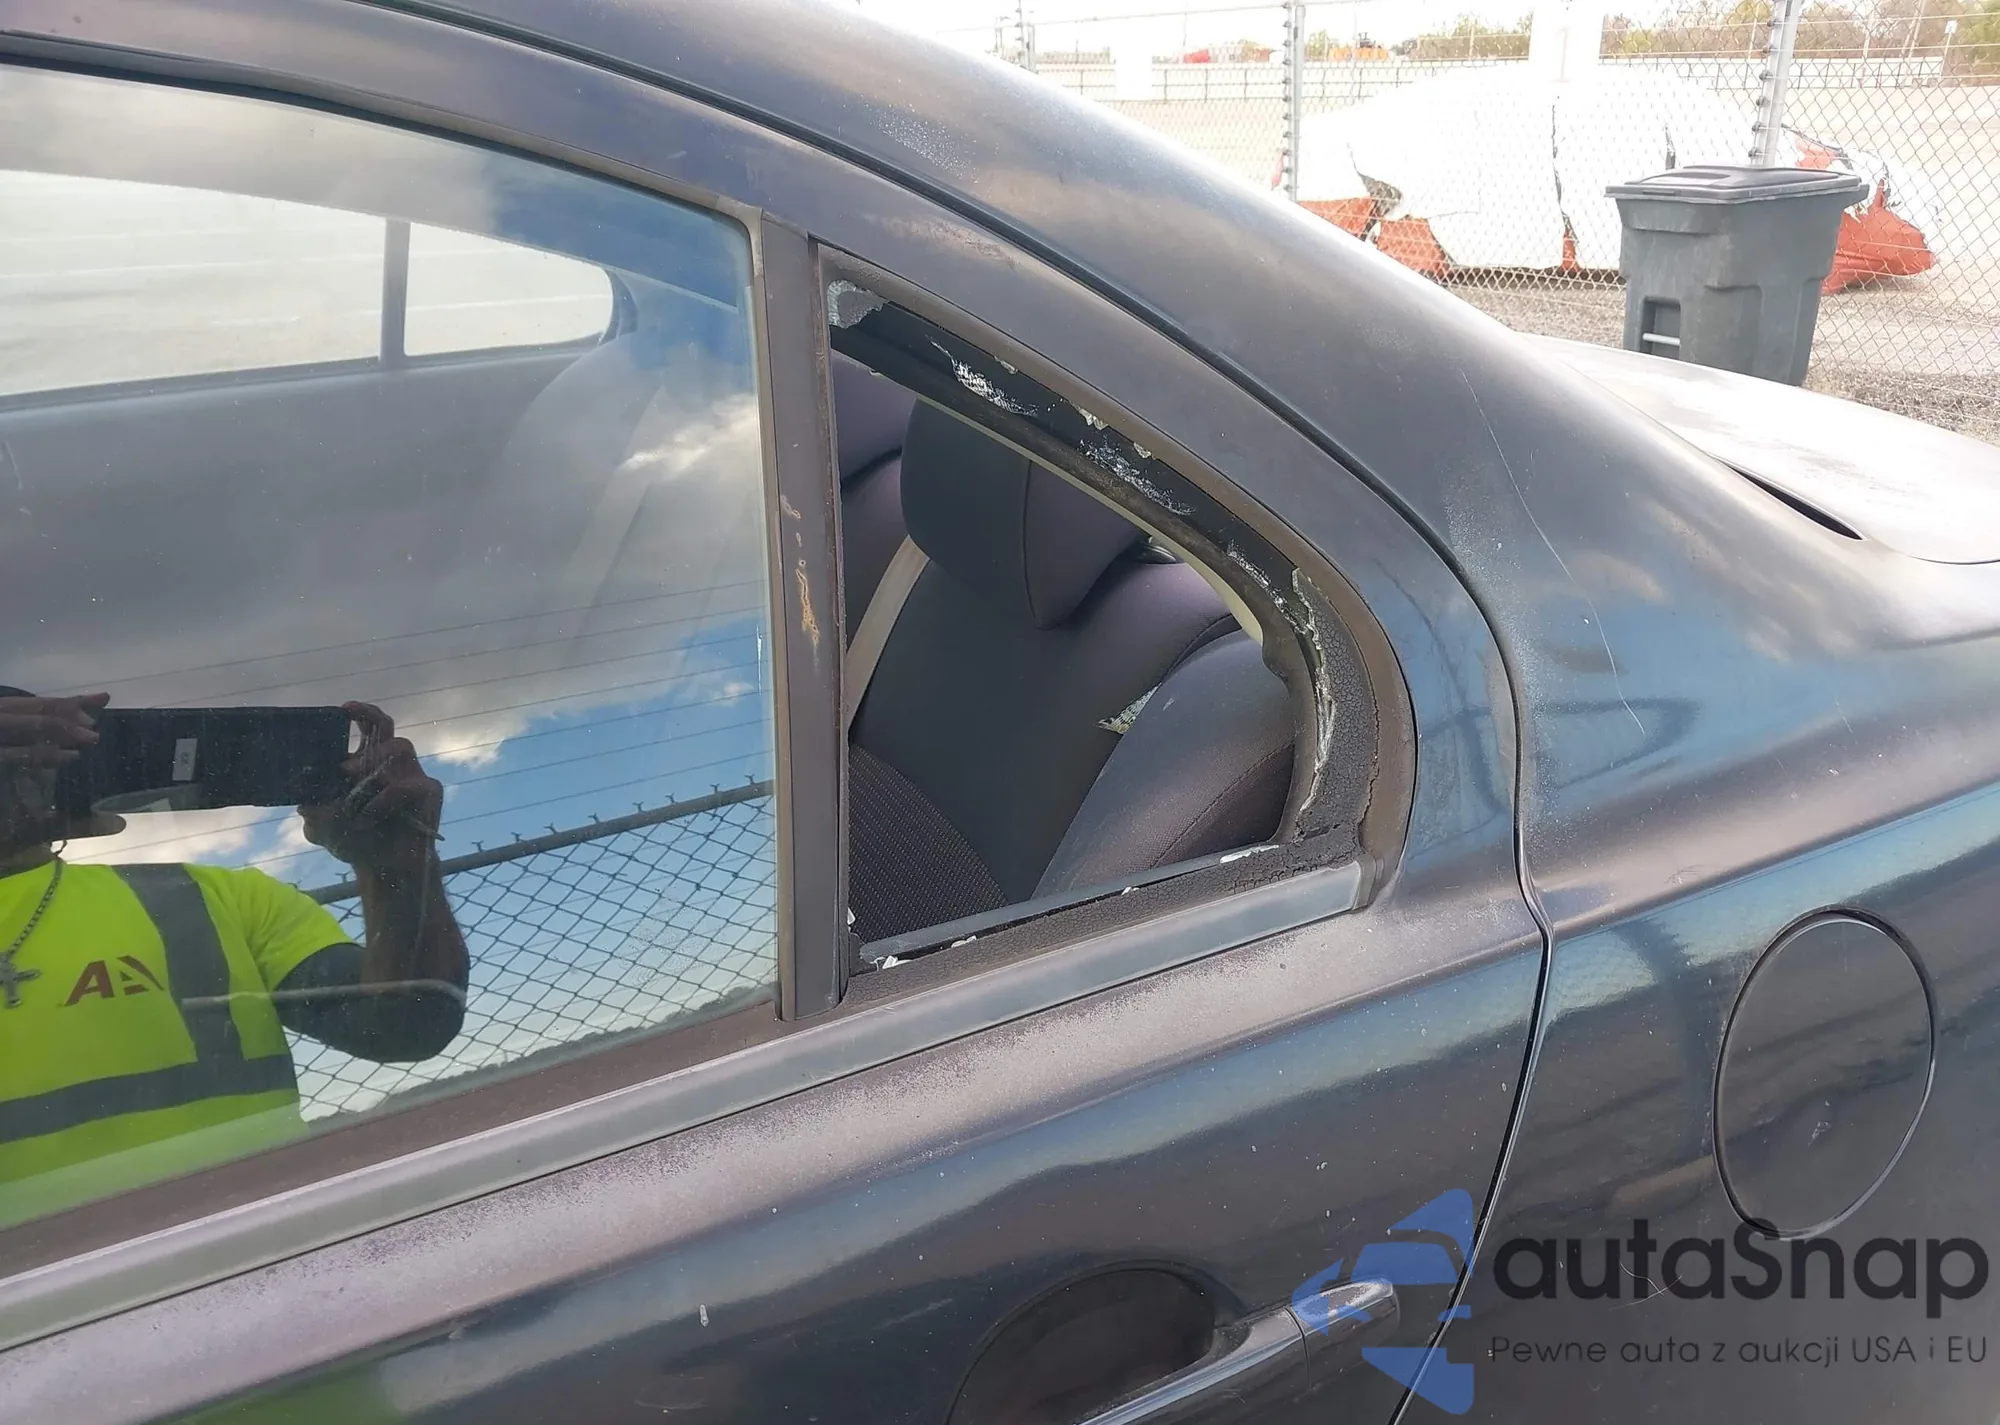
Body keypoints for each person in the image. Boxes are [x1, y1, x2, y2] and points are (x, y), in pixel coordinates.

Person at [0, 688, 468, 1201]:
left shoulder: (217, 898)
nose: (15, 778)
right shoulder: (207, 896)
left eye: (32, 756)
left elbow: (408, 1025)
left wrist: (397, 861)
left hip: (276, 1238)